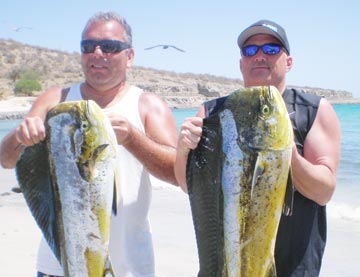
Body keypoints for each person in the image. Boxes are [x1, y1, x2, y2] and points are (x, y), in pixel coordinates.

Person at [0, 11, 179, 277]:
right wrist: (19, 136)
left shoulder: (148, 106)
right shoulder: (55, 100)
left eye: (109, 47)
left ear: (129, 56)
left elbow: (178, 174)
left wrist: (133, 139)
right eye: (88, 46)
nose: (97, 53)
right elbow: (6, 159)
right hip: (58, 267)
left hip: (129, 268)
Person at [174, 19, 341, 276]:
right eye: (250, 51)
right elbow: (189, 187)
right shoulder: (213, 113)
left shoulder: (314, 110)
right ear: (241, 63)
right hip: (225, 266)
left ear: (289, 61)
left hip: (294, 266)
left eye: (271, 49)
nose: (260, 56)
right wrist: (183, 149)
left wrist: (286, 154)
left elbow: (323, 191)